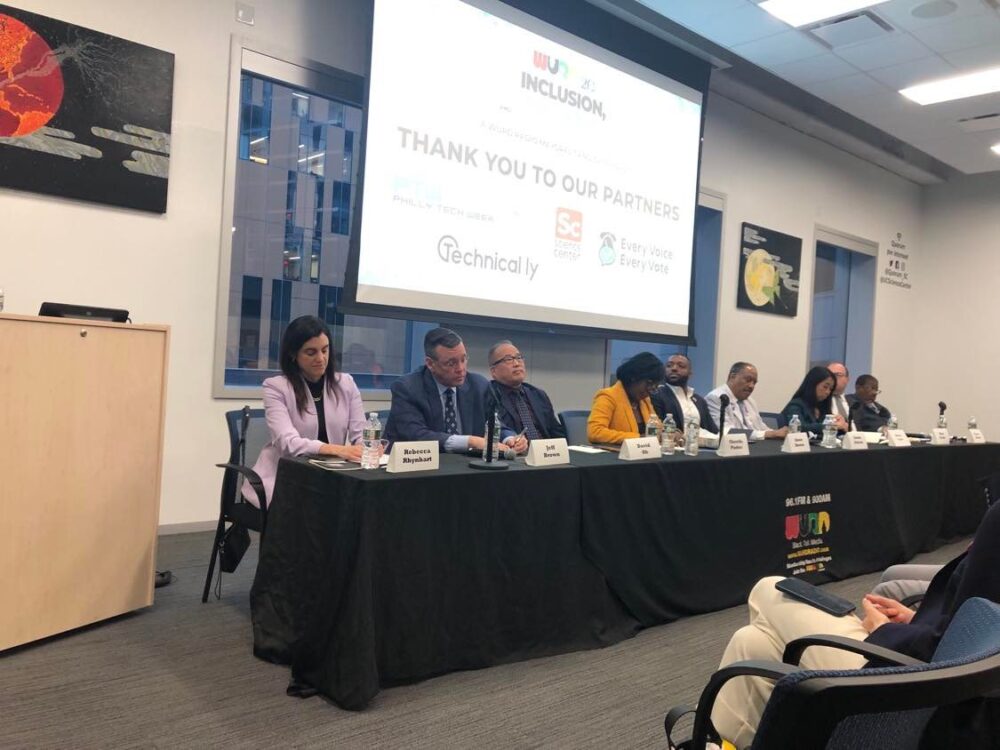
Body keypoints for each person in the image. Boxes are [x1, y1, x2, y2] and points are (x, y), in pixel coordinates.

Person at [710, 497, 1000, 749]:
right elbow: (978, 624)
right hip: (944, 689)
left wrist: (885, 631)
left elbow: (963, 654)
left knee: (769, 589)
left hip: (916, 696)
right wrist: (915, 619)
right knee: (752, 643)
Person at [245, 315, 365, 507]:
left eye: (325, 350)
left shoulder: (346, 383)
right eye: (311, 352)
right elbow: (287, 444)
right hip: (289, 478)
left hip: (332, 475)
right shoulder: (276, 387)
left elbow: (361, 434)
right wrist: (338, 450)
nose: (321, 358)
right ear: (294, 354)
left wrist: (367, 448)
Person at [385, 327, 526, 454]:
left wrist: (509, 437)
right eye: (451, 363)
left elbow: (494, 423)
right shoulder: (407, 388)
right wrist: (469, 442)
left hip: (464, 471)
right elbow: (416, 436)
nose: (460, 369)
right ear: (430, 364)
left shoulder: (479, 385)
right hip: (416, 470)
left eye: (464, 360)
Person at [488, 340, 566, 441]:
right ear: (494, 371)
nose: (516, 363)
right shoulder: (489, 395)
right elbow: (495, 429)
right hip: (515, 453)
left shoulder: (538, 395)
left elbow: (557, 433)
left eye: (519, 358)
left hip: (545, 452)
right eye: (508, 359)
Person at [587, 352, 664, 445]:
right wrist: (638, 439)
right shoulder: (608, 396)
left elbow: (657, 427)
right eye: (649, 383)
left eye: (655, 387)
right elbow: (595, 432)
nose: (650, 390)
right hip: (615, 456)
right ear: (634, 377)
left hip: (643, 454)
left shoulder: (645, 400)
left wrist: (670, 432)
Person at [705, 362, 788, 441]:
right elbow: (726, 431)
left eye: (754, 382)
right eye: (748, 380)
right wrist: (770, 434)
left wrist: (778, 433)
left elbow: (760, 427)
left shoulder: (750, 401)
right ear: (732, 377)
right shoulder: (716, 398)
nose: (751, 386)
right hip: (733, 449)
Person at [651, 353, 719, 434]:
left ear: (690, 374)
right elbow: (657, 427)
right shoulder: (657, 395)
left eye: (681, 366)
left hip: (701, 444)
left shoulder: (700, 401)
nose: (674, 368)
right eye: (669, 365)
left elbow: (713, 430)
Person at [780, 365, 846, 435]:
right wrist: (831, 426)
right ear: (813, 384)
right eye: (825, 387)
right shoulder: (795, 405)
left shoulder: (822, 408)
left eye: (830, 389)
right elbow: (799, 428)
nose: (828, 392)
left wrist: (842, 426)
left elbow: (830, 434)